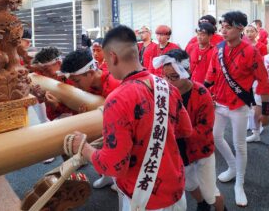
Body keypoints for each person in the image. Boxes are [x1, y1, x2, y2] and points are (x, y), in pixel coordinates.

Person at [70, 25, 192, 210]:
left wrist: (84, 148)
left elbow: (112, 166)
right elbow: (185, 129)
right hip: (175, 189)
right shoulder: (167, 86)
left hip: (143, 197)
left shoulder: (117, 99)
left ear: (113, 57)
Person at [204, 11, 269, 207]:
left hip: (239, 106)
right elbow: (210, 75)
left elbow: (264, 81)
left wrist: (264, 111)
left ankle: (239, 183)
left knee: (239, 143)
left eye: (228, 27)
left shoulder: (251, 52)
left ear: (240, 28)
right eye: (222, 27)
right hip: (219, 104)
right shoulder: (218, 49)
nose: (223, 31)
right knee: (216, 136)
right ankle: (233, 167)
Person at [154, 49, 226, 211]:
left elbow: (205, 130)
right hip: (179, 151)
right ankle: (202, 204)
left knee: (210, 193)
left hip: (201, 151)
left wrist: (173, 133)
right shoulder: (163, 91)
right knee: (190, 184)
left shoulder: (202, 94)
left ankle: (219, 207)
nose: (168, 81)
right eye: (165, 76)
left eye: (174, 76)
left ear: (187, 72)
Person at [60, 48, 120, 189]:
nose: (75, 86)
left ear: (91, 73)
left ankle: (118, 178)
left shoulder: (114, 86)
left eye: (76, 81)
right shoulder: (89, 85)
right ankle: (107, 176)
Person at [31, 47, 77, 121]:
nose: (45, 74)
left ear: (59, 63)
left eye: (47, 70)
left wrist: (57, 106)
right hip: (50, 121)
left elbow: (77, 110)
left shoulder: (73, 79)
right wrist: (38, 97)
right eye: (42, 71)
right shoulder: (42, 76)